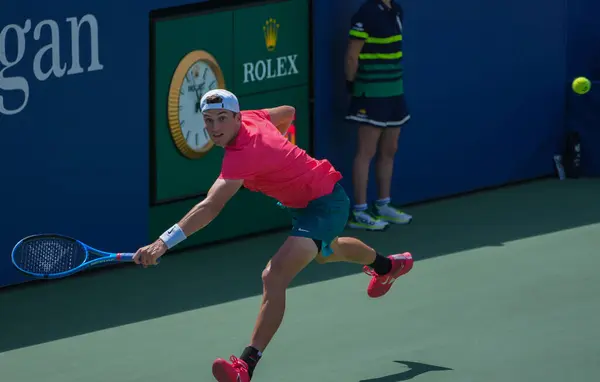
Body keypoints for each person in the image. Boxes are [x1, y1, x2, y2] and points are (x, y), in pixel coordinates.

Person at [133, 89, 414, 382]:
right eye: (208, 120)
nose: (215, 128)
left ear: (236, 117)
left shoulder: (241, 155)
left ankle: (245, 366)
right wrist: (281, 153)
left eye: (222, 119)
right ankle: (388, 266)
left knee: (274, 275)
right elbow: (289, 111)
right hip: (305, 203)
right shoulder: (253, 119)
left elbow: (211, 206)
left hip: (326, 204)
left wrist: (162, 243)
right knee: (330, 251)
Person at [345, 0, 413, 231]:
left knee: (390, 149)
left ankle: (383, 204)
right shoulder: (366, 13)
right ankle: (359, 211)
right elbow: (352, 56)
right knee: (367, 151)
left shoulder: (396, 10)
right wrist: (352, 84)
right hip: (371, 92)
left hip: (395, 90)